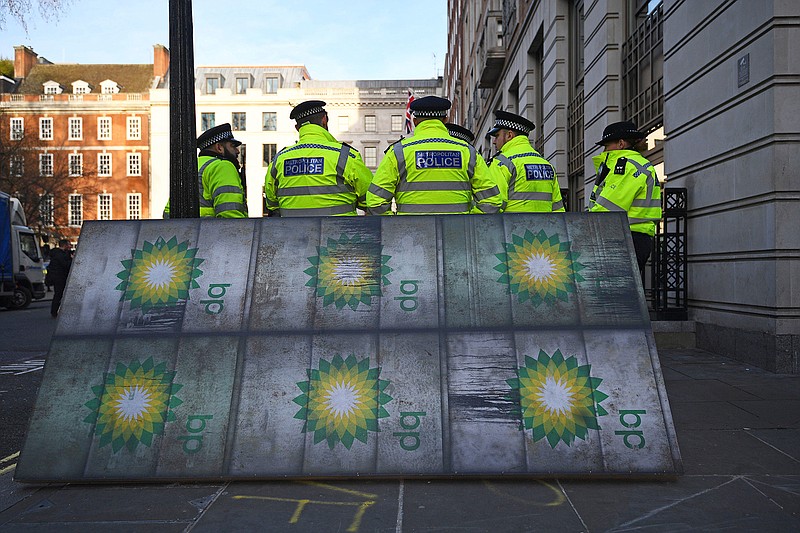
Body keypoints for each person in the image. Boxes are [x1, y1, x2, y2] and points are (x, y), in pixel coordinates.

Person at [366, 96, 502, 215]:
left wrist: (397, 225)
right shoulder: (467, 151)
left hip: (411, 237)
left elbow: (375, 202)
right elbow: (492, 201)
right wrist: (468, 222)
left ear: (415, 121)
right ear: (445, 120)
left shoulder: (398, 152)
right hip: (458, 236)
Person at [264, 100, 373, 216]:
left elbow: (271, 203)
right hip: (341, 233)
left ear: (297, 128)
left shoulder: (279, 160)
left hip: (293, 233)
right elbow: (371, 198)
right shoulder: (345, 156)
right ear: (324, 120)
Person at [588, 120, 662, 276]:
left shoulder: (626, 166)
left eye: (606, 146)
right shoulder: (637, 164)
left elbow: (608, 209)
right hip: (634, 237)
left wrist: (585, 231)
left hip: (624, 238)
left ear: (620, 144)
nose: (604, 151)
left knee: (615, 293)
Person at [163, 123, 248, 218]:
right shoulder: (222, 166)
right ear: (219, 147)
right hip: (212, 232)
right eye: (232, 146)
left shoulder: (190, 166)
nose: (237, 151)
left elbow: (168, 213)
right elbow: (230, 214)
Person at [487, 110, 564, 213]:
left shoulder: (501, 163)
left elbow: (492, 206)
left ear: (509, 135)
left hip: (512, 228)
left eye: (497, 136)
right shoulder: (547, 165)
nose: (494, 141)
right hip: (544, 228)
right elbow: (558, 209)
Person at [48, 239, 72, 318]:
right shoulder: (60, 255)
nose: (70, 246)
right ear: (64, 245)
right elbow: (66, 265)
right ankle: (54, 311)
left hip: (58, 277)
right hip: (59, 277)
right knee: (58, 294)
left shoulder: (57, 253)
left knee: (59, 294)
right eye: (69, 244)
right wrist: (72, 259)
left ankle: (56, 311)